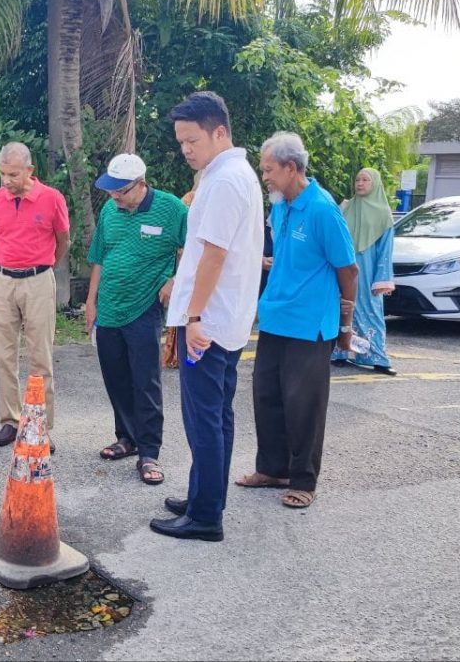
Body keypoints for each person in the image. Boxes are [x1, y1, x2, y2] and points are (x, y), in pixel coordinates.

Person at [150, 91, 263, 542]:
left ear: (220, 132)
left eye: (192, 140)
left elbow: (214, 254)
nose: (185, 150)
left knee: (205, 418)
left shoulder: (224, 181)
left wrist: (193, 316)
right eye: (181, 143)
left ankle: (204, 516)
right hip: (222, 319)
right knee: (217, 414)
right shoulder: (233, 174)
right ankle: (206, 495)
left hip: (208, 325)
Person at [239, 131, 358, 510]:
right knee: (267, 396)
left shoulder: (322, 209)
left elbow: (348, 269)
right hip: (276, 316)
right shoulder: (280, 206)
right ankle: (273, 468)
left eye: (270, 170)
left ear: (292, 168)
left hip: (310, 323)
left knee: (303, 402)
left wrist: (345, 323)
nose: (265, 178)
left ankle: (304, 479)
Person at [87, 153, 187, 484]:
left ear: (141, 184)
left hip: (144, 307)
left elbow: (192, 249)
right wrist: (91, 301)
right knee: (115, 377)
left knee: (145, 381)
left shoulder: (172, 209)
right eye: (111, 190)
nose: (114, 197)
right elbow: (99, 257)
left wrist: (175, 280)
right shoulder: (109, 211)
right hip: (109, 308)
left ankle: (149, 452)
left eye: (121, 191)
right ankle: (126, 438)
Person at [0, 142, 70, 447]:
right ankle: (10, 420)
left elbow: (62, 241)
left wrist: (41, 267)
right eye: (3, 174)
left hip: (38, 280)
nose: (7, 180)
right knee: (4, 356)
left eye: (14, 174)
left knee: (40, 357)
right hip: (4, 280)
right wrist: (9, 264)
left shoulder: (52, 198)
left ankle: (40, 427)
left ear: (30, 170)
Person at [331, 167, 396, 375]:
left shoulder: (384, 214)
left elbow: (385, 250)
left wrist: (382, 279)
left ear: (375, 184)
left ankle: (376, 356)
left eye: (365, 180)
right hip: (344, 267)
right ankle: (340, 352)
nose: (360, 183)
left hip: (367, 271)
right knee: (342, 307)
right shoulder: (346, 208)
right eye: (358, 179)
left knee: (371, 310)